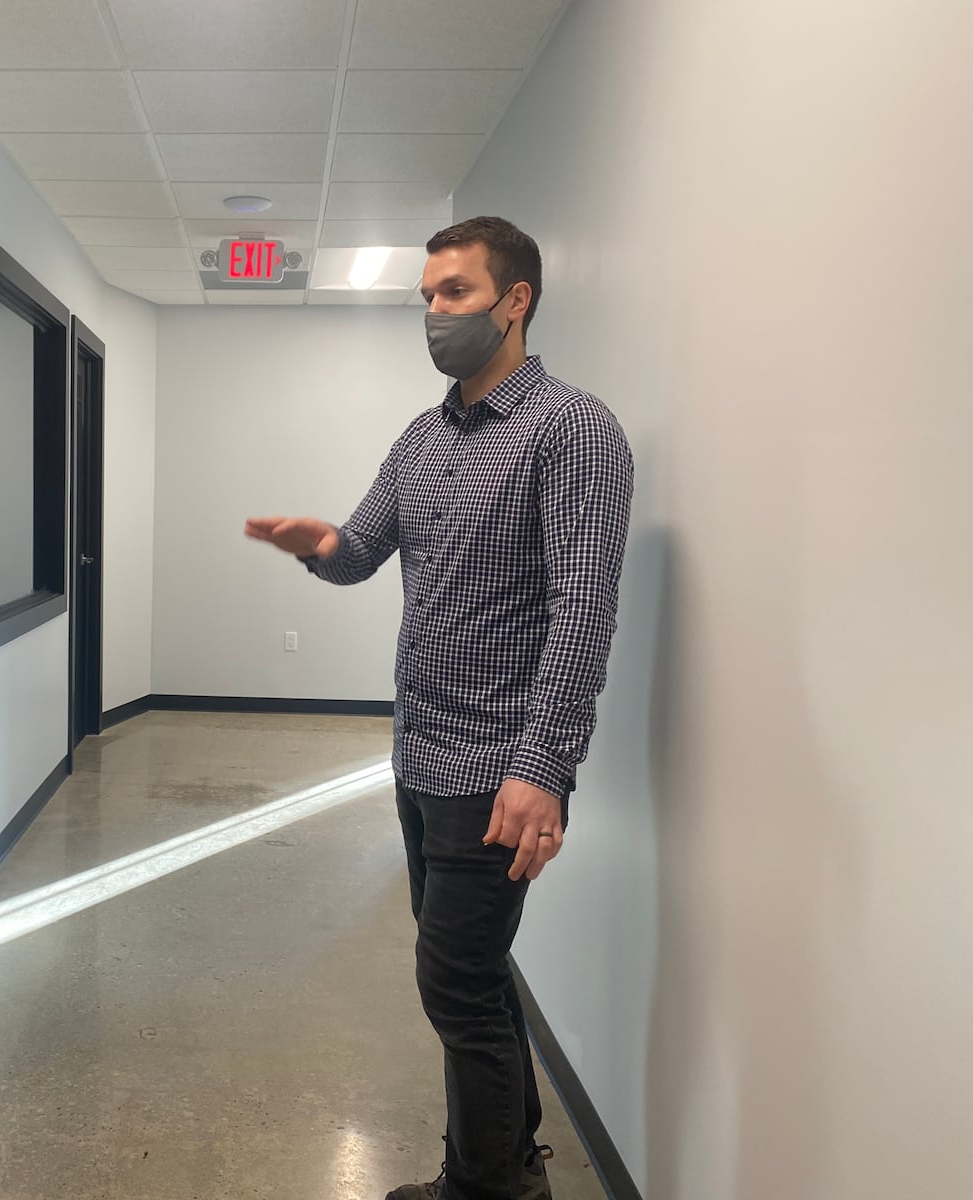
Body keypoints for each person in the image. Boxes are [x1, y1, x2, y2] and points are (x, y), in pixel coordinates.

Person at [244, 217, 634, 1200]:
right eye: (426, 296)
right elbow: (364, 551)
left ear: (515, 300)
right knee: (473, 969)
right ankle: (509, 1166)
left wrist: (542, 766)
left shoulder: (573, 430)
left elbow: (582, 611)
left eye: (453, 292)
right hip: (419, 756)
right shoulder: (421, 438)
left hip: (499, 766)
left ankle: (487, 1186)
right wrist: (317, 544)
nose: (433, 313)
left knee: (453, 982)